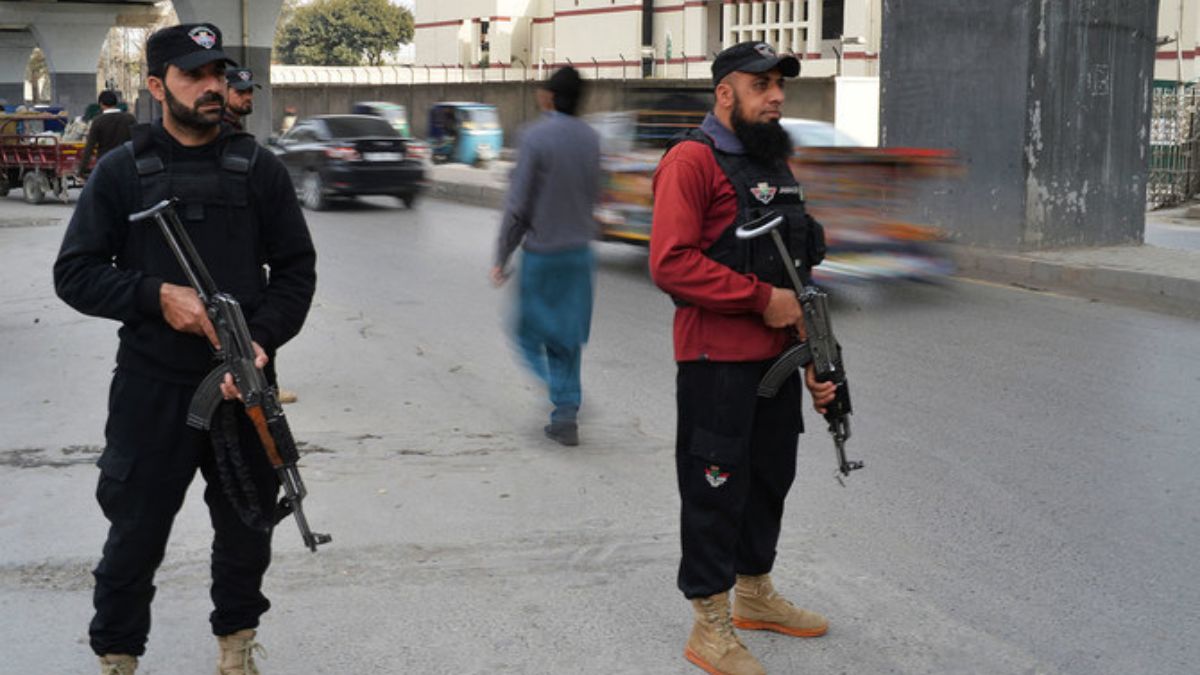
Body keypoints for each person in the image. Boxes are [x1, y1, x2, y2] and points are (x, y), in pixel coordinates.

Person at [53, 22, 317, 675]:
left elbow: (295, 271)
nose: (210, 87)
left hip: (244, 383)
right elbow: (75, 272)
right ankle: (117, 656)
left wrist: (259, 340)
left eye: (217, 74)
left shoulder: (258, 169)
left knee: (248, 531)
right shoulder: (120, 173)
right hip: (151, 387)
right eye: (193, 75)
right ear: (154, 85)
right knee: (134, 536)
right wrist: (153, 296)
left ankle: (235, 650)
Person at [648, 41, 839, 675]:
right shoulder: (691, 162)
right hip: (716, 363)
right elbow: (670, 264)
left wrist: (816, 354)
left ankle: (755, 593)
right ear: (725, 93)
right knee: (716, 489)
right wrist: (761, 300)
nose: (777, 95)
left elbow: (799, 269)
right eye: (762, 86)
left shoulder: (776, 165)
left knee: (769, 480)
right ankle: (709, 625)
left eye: (781, 85)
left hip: (776, 361)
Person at [491, 66, 601, 446]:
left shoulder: (535, 136)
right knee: (567, 338)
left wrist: (502, 254)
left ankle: (560, 393)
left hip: (544, 255)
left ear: (549, 97)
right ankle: (565, 415)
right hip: (580, 255)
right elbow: (595, 194)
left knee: (526, 332)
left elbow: (518, 205)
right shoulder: (591, 137)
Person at [222, 66, 300, 405]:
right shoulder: (222, 140)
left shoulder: (249, 149)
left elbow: (296, 263)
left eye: (249, 90)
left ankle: (265, 387)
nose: (246, 96)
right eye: (239, 90)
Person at [77, 90, 137, 174]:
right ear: (116, 103)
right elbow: (137, 141)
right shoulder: (130, 118)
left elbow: (90, 147)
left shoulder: (98, 121)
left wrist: (81, 169)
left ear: (101, 104)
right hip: (126, 163)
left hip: (105, 165)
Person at [222, 67, 260, 131]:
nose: (248, 97)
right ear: (224, 92)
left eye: (250, 91)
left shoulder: (234, 124)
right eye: (241, 92)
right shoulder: (217, 128)